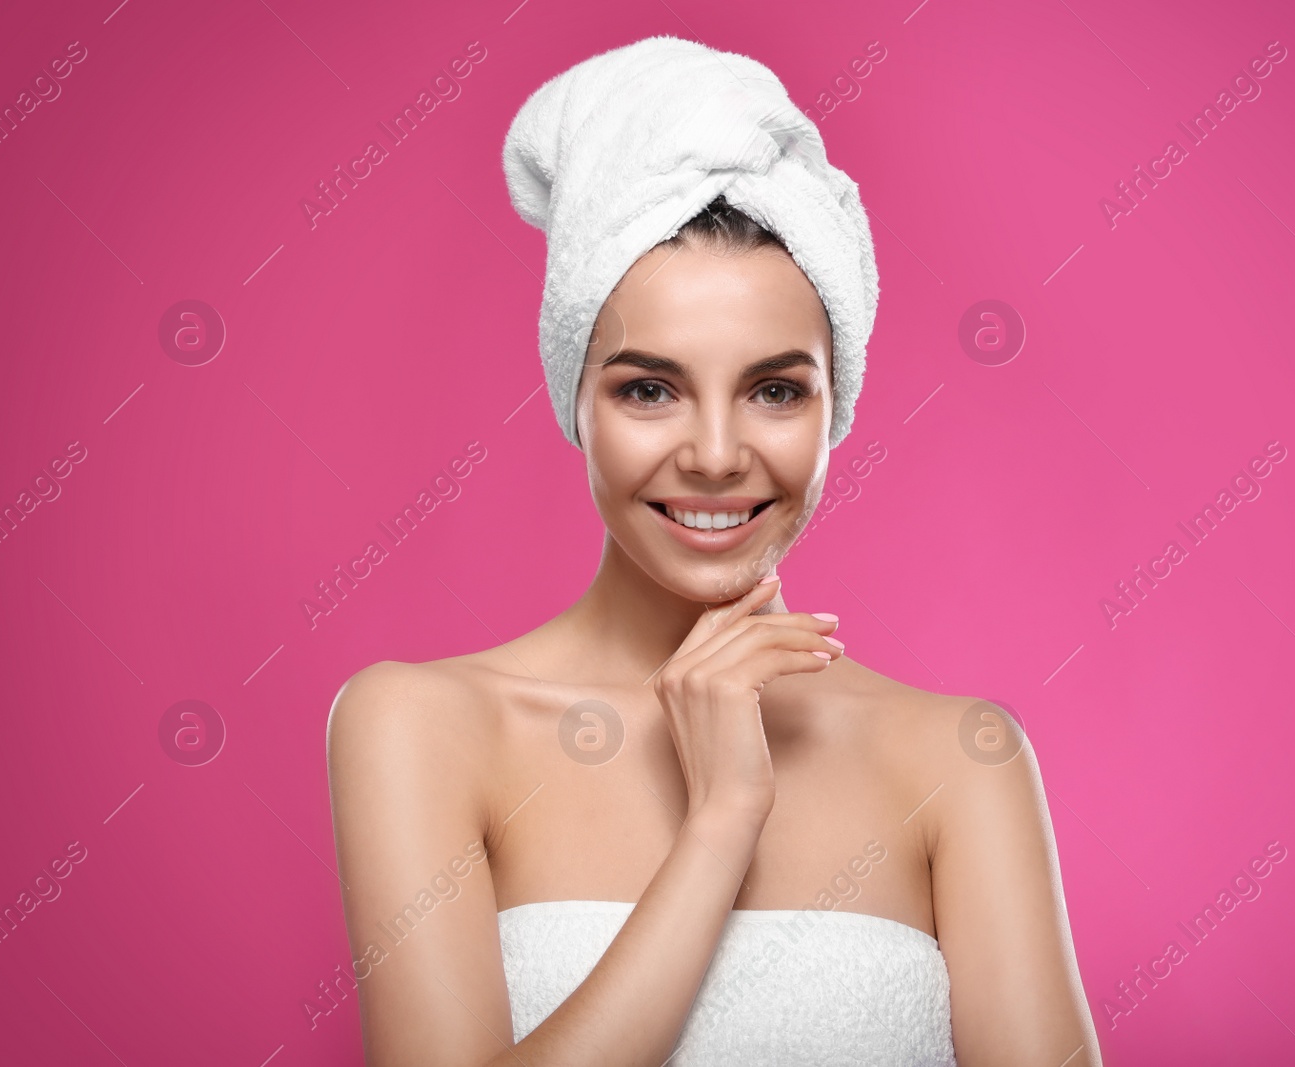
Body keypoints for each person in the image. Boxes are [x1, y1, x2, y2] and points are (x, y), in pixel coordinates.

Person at [327, 35, 1102, 1067]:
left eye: (775, 389)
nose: (715, 454)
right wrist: (720, 824)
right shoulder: (421, 724)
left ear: (835, 411)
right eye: (648, 388)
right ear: (578, 403)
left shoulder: (961, 760)